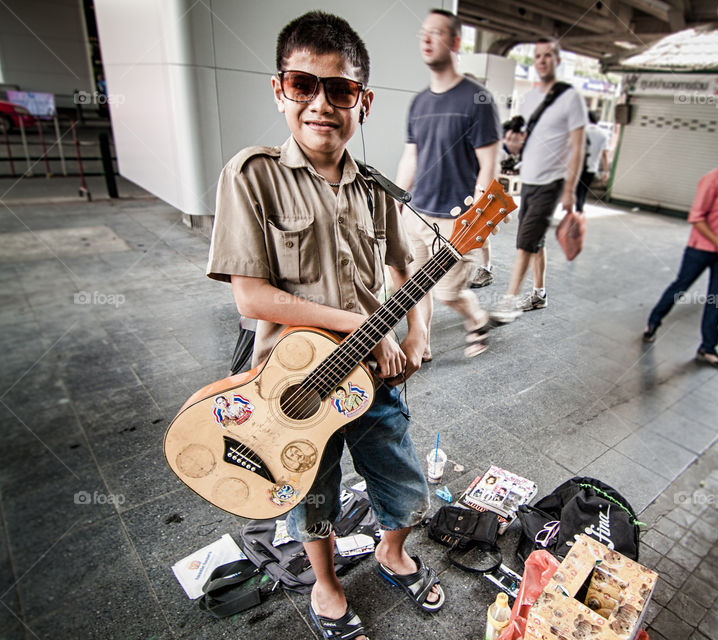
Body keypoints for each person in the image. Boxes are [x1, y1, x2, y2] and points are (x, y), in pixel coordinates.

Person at [205, 12, 441, 638]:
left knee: (404, 479)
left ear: (362, 102)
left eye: (339, 90)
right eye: (303, 85)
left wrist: (415, 329)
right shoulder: (252, 175)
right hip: (295, 386)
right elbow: (251, 297)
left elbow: (408, 265)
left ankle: (391, 554)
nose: (321, 104)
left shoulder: (377, 190)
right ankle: (328, 587)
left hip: (376, 377)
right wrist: (364, 321)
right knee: (312, 493)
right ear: (279, 89)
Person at [395, 9, 501, 359]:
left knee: (447, 293)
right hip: (417, 214)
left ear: (455, 42)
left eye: (436, 33)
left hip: (456, 219)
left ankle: (477, 318)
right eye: (423, 33)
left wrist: (477, 217)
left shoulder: (477, 99)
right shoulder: (419, 102)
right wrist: (396, 200)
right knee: (415, 289)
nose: (426, 39)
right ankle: (422, 342)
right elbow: (411, 156)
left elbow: (489, 163)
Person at [642, 124, 718, 369]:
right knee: (681, 286)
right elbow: (697, 217)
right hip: (703, 247)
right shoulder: (714, 178)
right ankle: (653, 322)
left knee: (717, 299)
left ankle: (708, 348)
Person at [489, 39, 587, 323]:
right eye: (537, 56)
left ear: (557, 61)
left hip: (553, 182)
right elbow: (530, 143)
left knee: (525, 241)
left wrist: (569, 188)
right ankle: (539, 294)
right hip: (529, 180)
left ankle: (509, 300)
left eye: (548, 56)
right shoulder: (531, 99)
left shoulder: (571, 98)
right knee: (535, 240)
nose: (542, 61)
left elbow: (578, 146)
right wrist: (515, 146)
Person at [575, 110, 610, 213]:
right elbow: (604, 154)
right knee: (583, 190)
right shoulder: (603, 134)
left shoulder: (581, 130)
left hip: (577, 165)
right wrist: (606, 171)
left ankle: (578, 208)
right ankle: (579, 208)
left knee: (576, 189)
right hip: (592, 167)